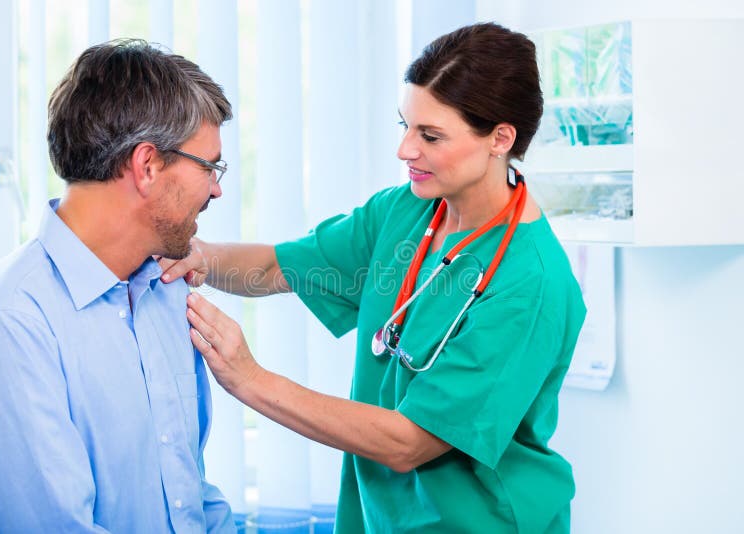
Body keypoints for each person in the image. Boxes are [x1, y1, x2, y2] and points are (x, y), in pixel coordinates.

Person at [163, 23, 586, 534]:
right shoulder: (406, 211)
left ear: (500, 138)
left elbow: (409, 442)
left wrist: (250, 380)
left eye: (430, 136)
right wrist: (199, 257)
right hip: (378, 517)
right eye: (405, 125)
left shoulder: (530, 283)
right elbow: (281, 267)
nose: (405, 149)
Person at [0, 40, 236, 532]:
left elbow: (191, 496)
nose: (216, 188)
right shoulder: (11, 324)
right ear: (147, 166)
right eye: (208, 167)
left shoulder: (167, 295)